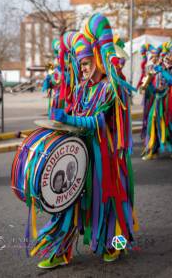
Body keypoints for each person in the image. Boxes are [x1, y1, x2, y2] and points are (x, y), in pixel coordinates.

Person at [30, 14, 138, 269]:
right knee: (67, 202)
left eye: (87, 63)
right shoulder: (80, 88)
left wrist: (69, 118)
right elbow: (76, 118)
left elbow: (99, 122)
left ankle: (116, 245)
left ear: (99, 59)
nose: (84, 69)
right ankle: (60, 249)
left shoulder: (112, 87)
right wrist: (61, 121)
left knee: (110, 205)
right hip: (80, 156)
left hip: (105, 158)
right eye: (81, 64)